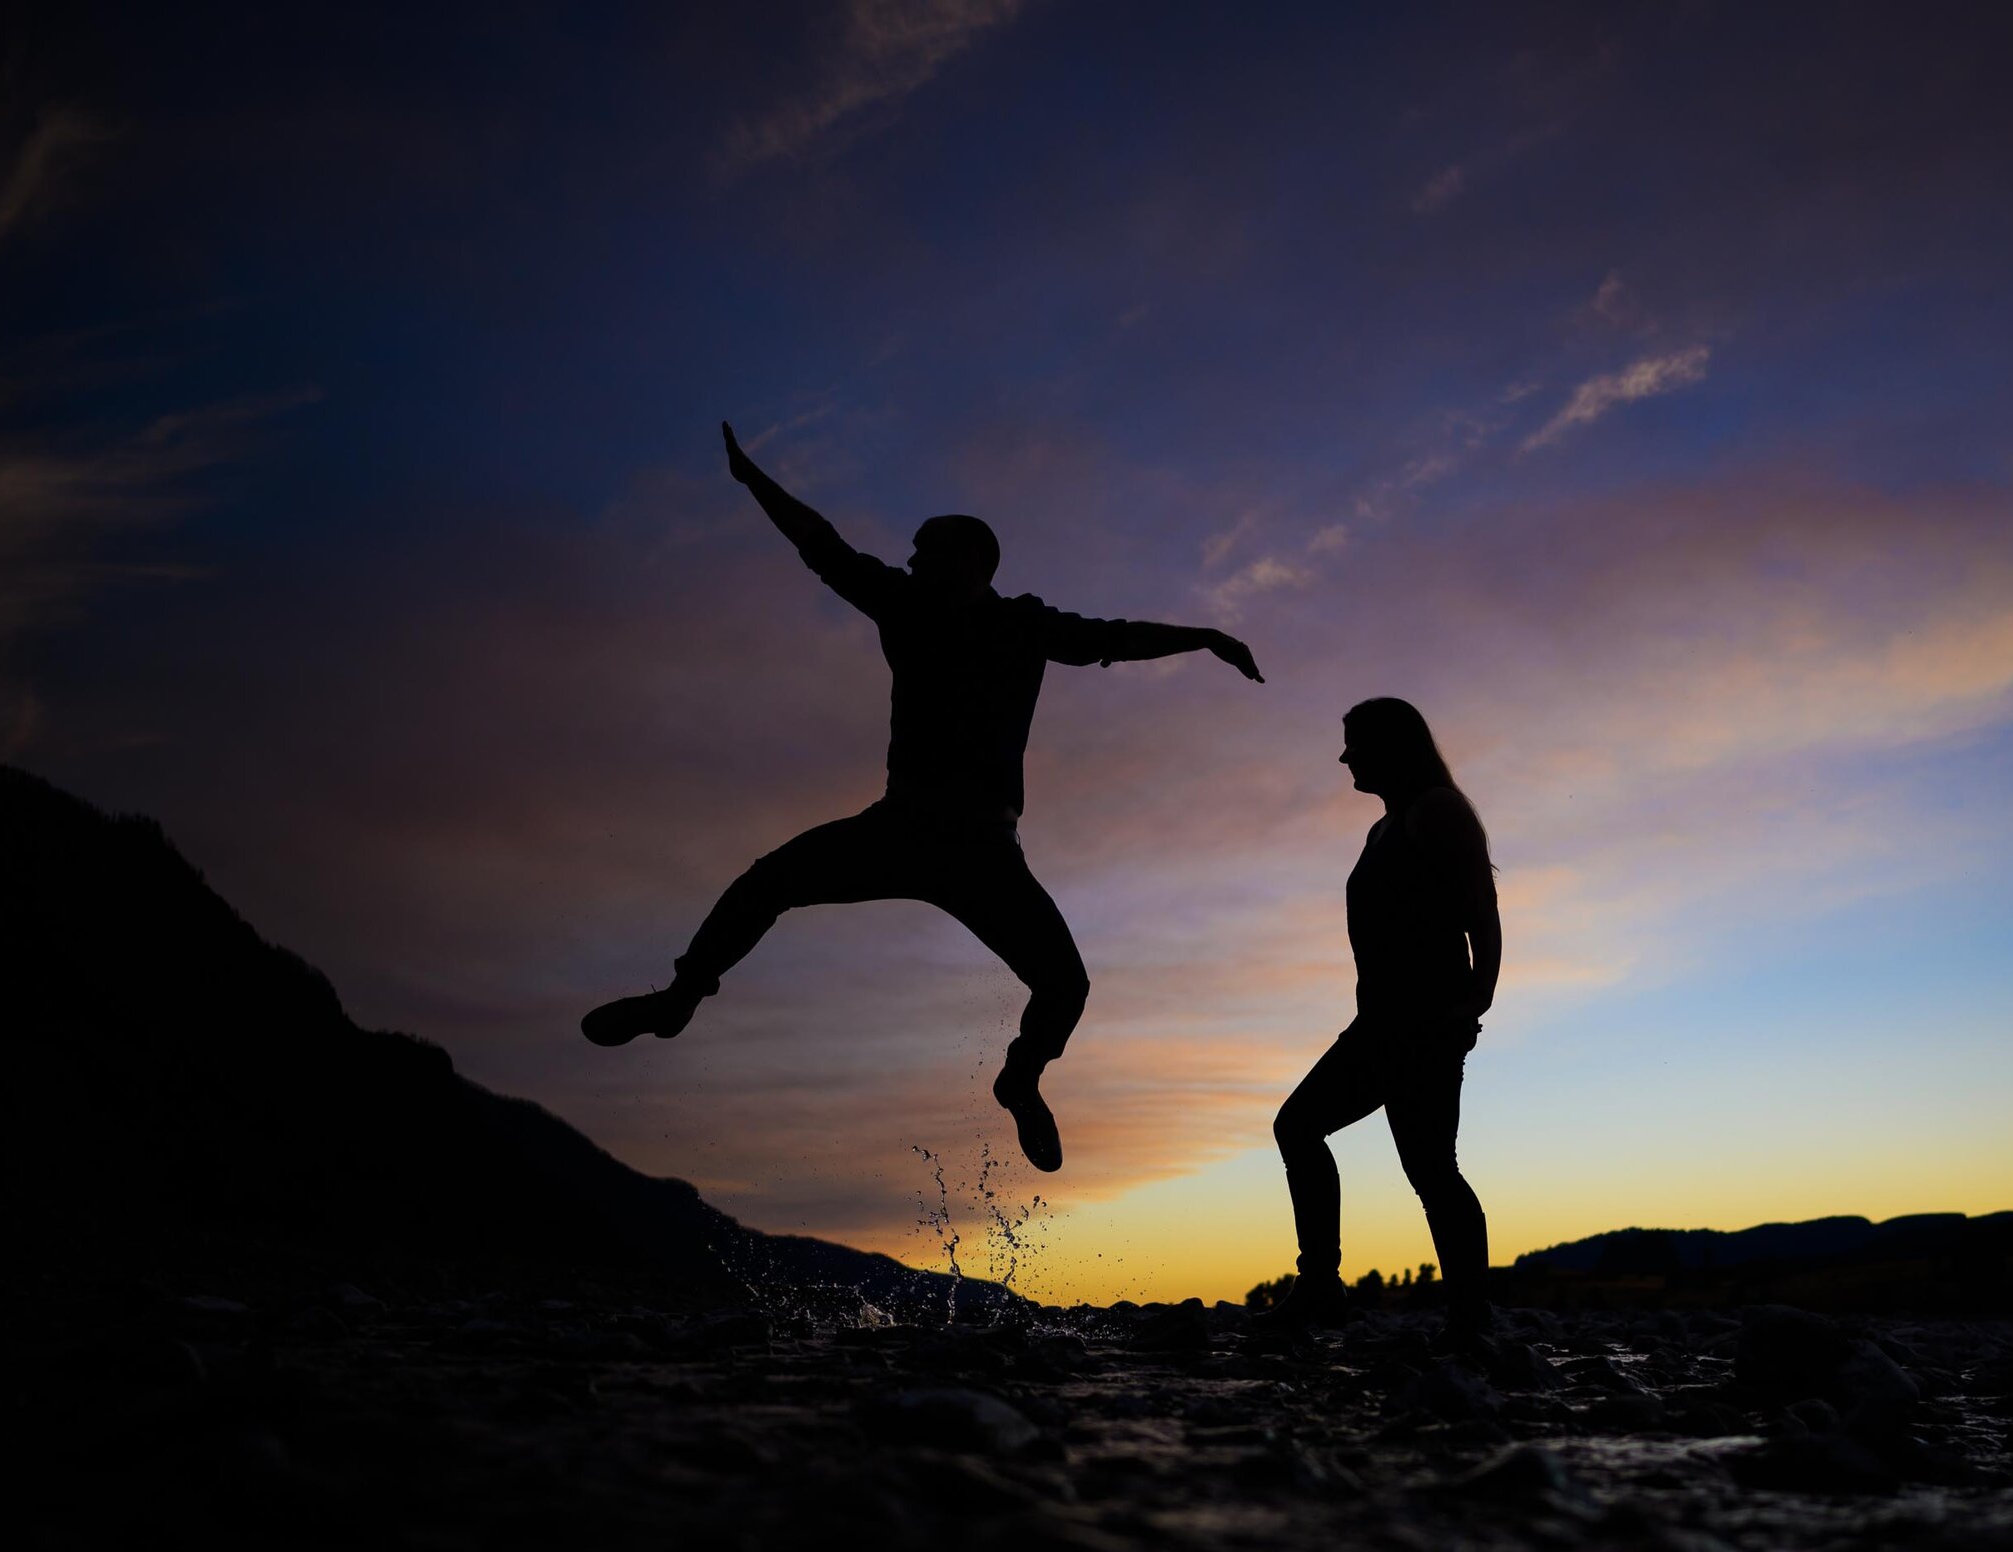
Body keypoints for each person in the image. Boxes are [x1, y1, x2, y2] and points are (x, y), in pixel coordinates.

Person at [581, 422, 1264, 1174]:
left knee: (1066, 984)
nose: (910, 558)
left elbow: (1115, 637)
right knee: (765, 882)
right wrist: (754, 482)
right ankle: (678, 1000)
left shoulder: (1024, 624)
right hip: (901, 828)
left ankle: (1021, 1076)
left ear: (971, 559)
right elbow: (822, 544)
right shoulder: (904, 602)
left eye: (924, 547)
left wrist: (1203, 635)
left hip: (985, 853)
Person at [1262, 697, 1500, 1344]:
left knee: (1430, 1168)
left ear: (1393, 746)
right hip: (1381, 1024)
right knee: (1301, 1126)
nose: (1344, 757)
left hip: (1423, 1023)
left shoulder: (1437, 811)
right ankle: (1322, 1285)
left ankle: (1472, 1320)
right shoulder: (1385, 827)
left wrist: (1474, 1002)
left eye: (1355, 743)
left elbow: (1482, 913)